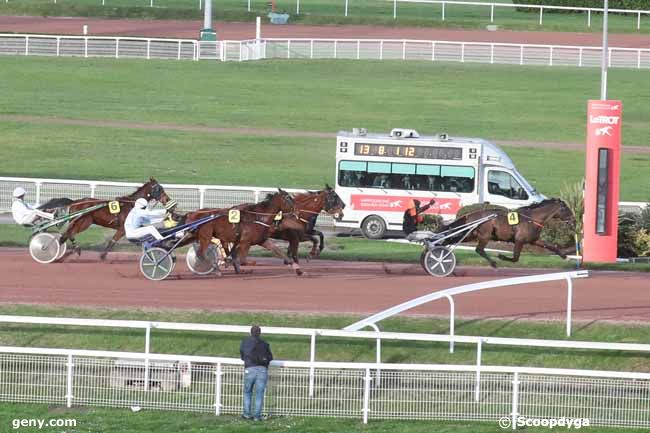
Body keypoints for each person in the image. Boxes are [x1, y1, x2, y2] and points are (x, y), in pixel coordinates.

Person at [240, 325, 273, 421]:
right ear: (260, 333)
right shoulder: (265, 343)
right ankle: (257, 416)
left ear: (250, 333)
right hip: (262, 370)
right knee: (259, 394)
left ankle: (246, 414)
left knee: (247, 392)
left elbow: (242, 355)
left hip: (249, 369)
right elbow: (270, 357)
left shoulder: (245, 342)